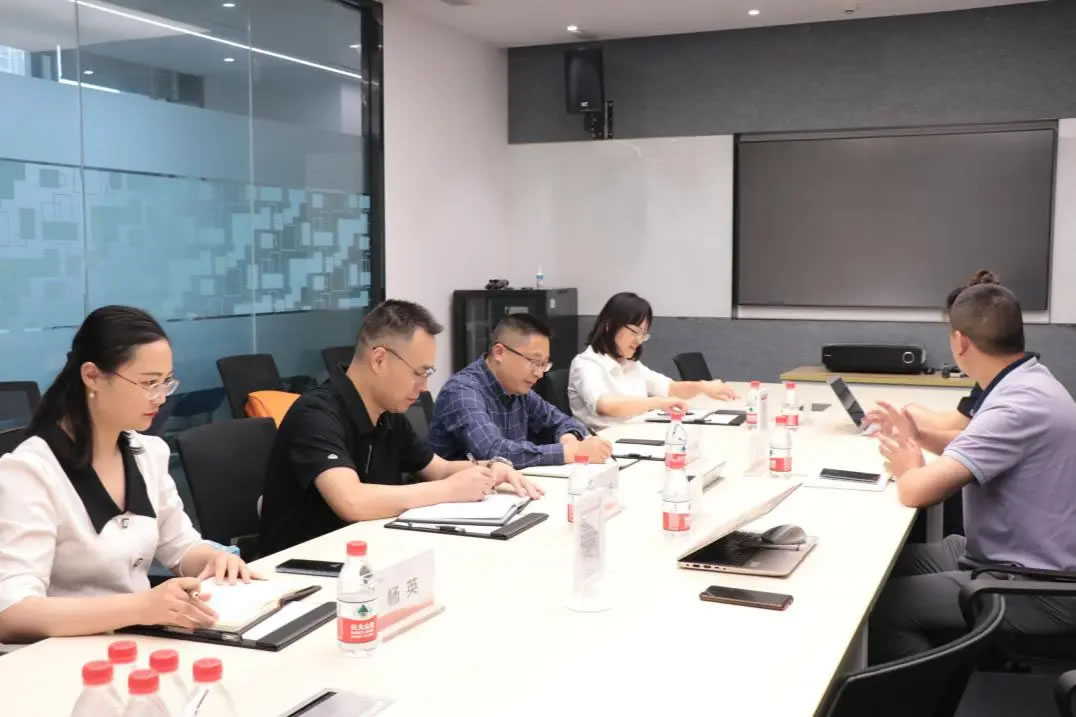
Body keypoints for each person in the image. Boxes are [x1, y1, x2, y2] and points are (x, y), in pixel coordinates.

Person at [0, 306, 255, 644]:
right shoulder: (30, 471)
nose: (161, 398)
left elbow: (180, 548)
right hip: (65, 654)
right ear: (92, 376)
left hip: (139, 642)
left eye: (166, 382)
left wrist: (214, 559)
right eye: (148, 383)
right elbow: (12, 612)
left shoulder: (148, 453)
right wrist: (139, 607)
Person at [868, 284, 1076, 664]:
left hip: (1040, 587)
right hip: (1005, 557)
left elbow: (916, 491)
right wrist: (917, 436)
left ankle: (924, 692)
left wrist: (907, 465)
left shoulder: (1016, 406)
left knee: (882, 609)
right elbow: (977, 446)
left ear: (960, 341)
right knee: (877, 565)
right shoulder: (1027, 381)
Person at [259, 299, 543, 554]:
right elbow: (352, 501)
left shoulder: (388, 412)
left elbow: (440, 469)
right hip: (302, 569)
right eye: (420, 373)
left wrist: (490, 468)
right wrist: (449, 490)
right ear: (379, 359)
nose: (424, 387)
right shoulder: (315, 414)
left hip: (372, 554)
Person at [429, 314, 612, 468]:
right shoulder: (462, 391)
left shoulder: (518, 389)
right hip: (460, 496)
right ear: (499, 352)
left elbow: (562, 421)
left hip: (506, 489)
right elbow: (493, 452)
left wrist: (569, 438)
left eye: (544, 364)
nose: (539, 373)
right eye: (534, 362)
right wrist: (569, 452)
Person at [865, 270, 1001, 455]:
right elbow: (959, 423)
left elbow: (967, 440)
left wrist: (910, 432)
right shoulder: (1000, 377)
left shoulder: (1004, 395)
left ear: (960, 341)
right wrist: (908, 417)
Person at [568, 292, 738, 431]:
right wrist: (657, 403)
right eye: (635, 332)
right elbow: (604, 405)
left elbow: (669, 388)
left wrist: (702, 387)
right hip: (606, 444)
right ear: (609, 325)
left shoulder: (630, 364)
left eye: (643, 334)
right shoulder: (586, 364)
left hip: (638, 435)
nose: (639, 340)